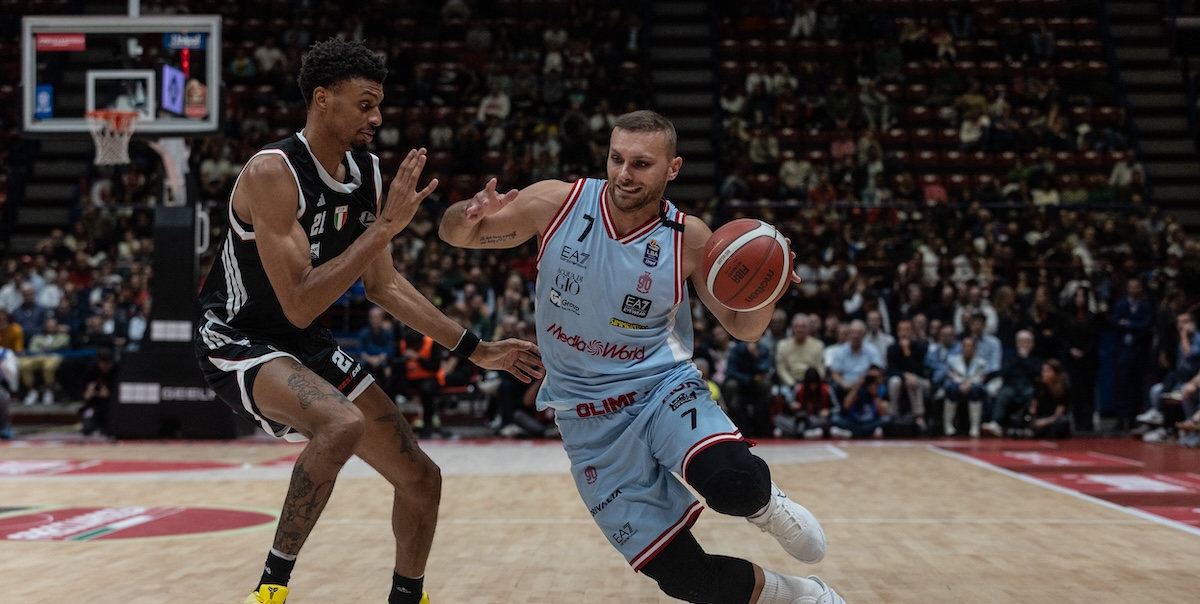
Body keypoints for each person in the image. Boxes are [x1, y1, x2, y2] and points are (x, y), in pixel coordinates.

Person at [440, 110, 844, 604]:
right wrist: (469, 213)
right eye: (616, 159)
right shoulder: (555, 202)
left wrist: (766, 288)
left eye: (641, 163)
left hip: (660, 391)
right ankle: (799, 597)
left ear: (672, 168)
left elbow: (743, 328)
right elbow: (454, 234)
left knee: (731, 481)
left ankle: (766, 506)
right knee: (685, 579)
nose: (624, 174)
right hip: (586, 421)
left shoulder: (691, 239)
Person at [193, 39, 543, 604]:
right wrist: (382, 228)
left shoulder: (370, 174)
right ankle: (269, 592)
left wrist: (474, 347)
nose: (377, 118)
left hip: (302, 341)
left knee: (422, 479)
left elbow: (384, 286)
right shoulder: (272, 172)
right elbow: (299, 301)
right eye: (365, 104)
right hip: (238, 338)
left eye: (380, 105)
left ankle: (408, 597)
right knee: (341, 423)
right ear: (323, 99)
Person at [80, 347, 117, 436]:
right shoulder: (91, 369)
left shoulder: (117, 370)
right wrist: (86, 393)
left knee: (110, 430)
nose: (105, 366)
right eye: (103, 363)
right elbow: (81, 389)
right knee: (87, 429)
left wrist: (110, 394)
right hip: (94, 404)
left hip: (111, 405)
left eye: (108, 363)